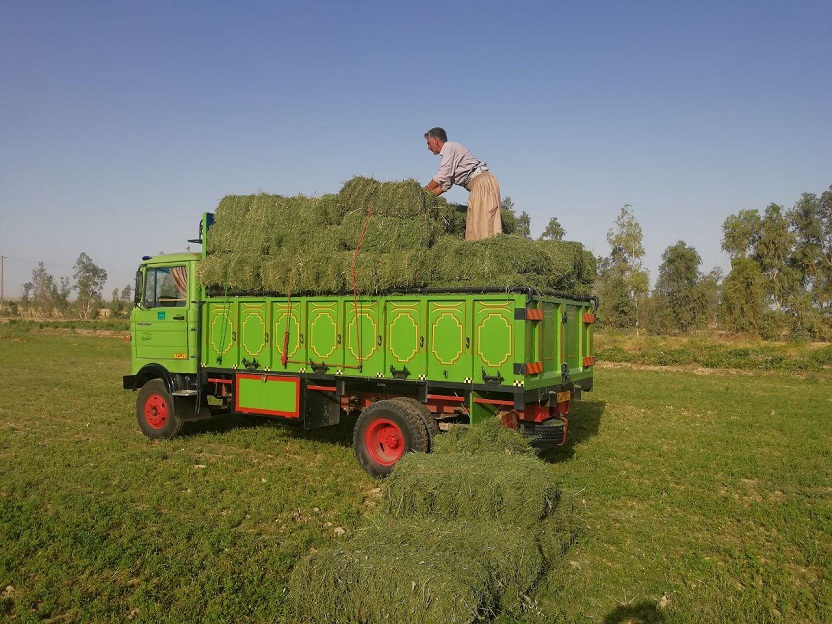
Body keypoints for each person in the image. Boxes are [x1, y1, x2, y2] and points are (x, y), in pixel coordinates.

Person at [423, 127, 502, 241]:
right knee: (473, 228)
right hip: (478, 184)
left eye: (428, 143)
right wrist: (426, 199)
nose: (428, 147)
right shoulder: (449, 155)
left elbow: (443, 174)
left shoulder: (449, 147)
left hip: (482, 182)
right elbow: (445, 185)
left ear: (435, 141)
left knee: (483, 228)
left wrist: (424, 191)